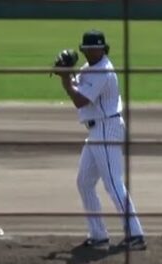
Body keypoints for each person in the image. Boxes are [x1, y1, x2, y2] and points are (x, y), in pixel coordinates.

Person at [54, 29, 146, 251]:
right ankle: (98, 235)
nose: (91, 52)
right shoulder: (88, 69)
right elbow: (77, 87)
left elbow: (80, 100)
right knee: (84, 182)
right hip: (97, 131)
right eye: (87, 49)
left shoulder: (104, 70)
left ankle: (135, 234)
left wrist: (65, 79)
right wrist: (66, 73)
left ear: (103, 49)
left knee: (113, 183)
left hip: (107, 128)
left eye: (95, 49)